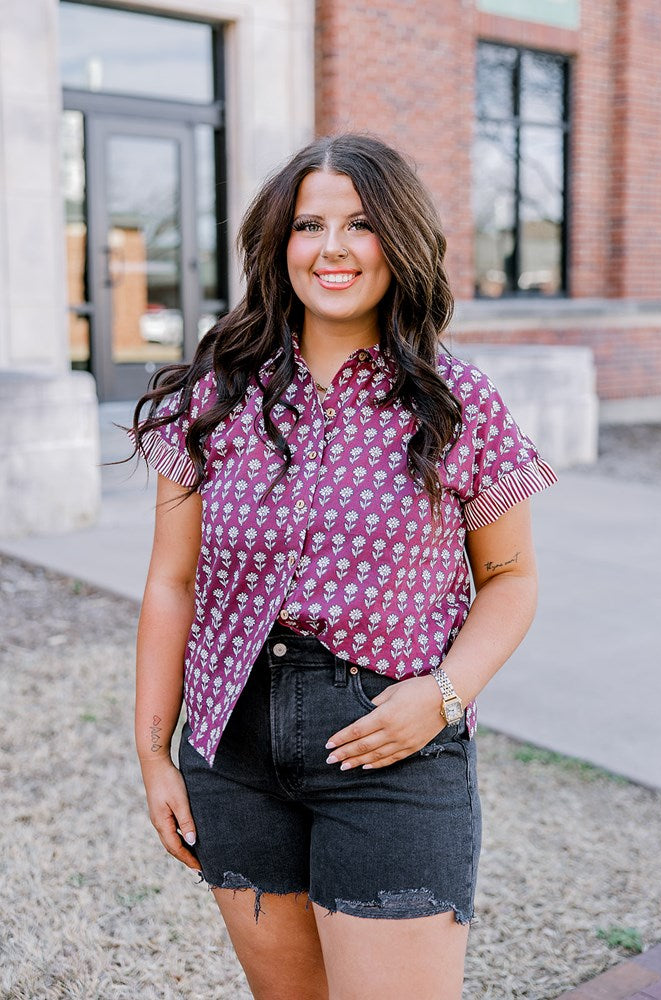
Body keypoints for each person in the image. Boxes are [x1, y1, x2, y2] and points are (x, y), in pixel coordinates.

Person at [129, 132, 557, 1000]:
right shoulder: (215, 395)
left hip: (389, 746)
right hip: (232, 747)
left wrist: (441, 695)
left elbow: (510, 579)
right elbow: (172, 584)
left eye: (358, 224)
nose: (330, 248)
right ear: (277, 244)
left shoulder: (455, 399)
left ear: (396, 240)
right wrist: (152, 750)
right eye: (308, 224)